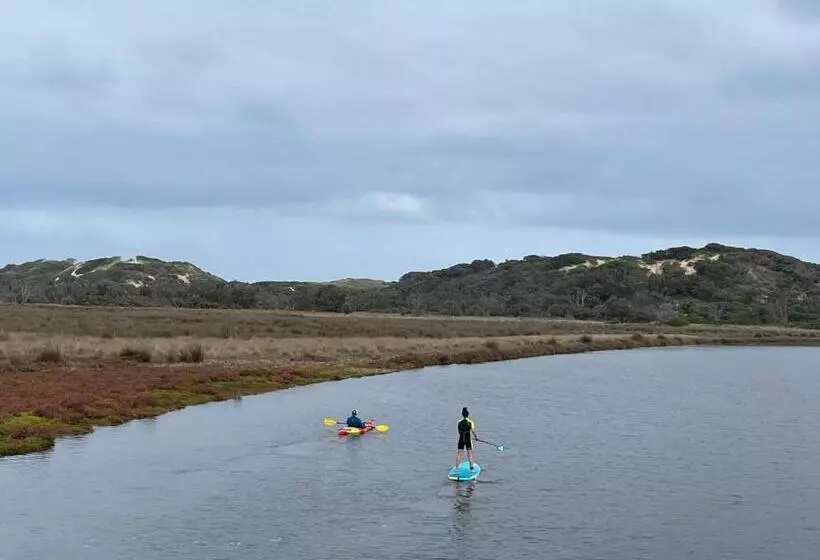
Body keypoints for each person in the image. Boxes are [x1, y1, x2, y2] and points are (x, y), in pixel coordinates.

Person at [455, 406, 477, 470]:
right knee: (469, 452)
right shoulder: (470, 422)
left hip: (461, 439)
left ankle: (457, 468)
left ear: (462, 414)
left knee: (459, 452)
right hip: (468, 439)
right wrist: (476, 437)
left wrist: (462, 435)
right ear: (468, 414)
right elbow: (472, 431)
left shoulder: (459, 422)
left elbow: (459, 431)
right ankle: (471, 467)